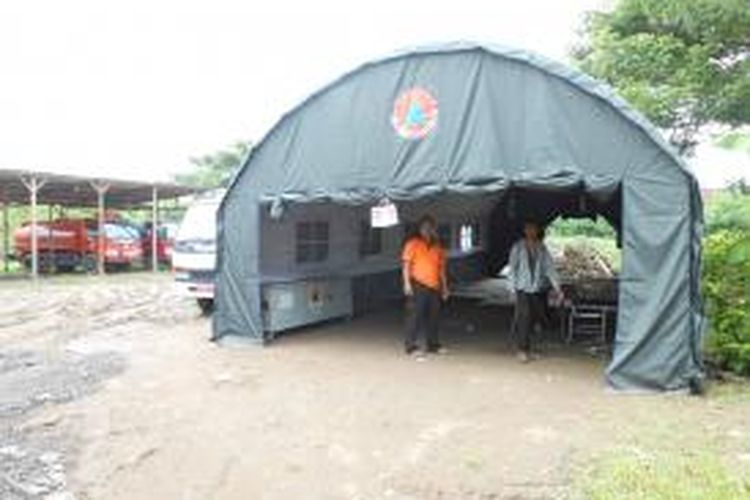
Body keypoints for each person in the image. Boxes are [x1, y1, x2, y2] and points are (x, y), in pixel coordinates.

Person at [508, 221, 563, 362]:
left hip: (537, 288)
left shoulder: (541, 248)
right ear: (525, 231)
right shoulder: (518, 247)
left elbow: (549, 267)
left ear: (538, 231)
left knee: (534, 317)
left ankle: (528, 347)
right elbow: (512, 268)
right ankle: (522, 350)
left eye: (534, 229)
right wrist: (512, 288)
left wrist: (557, 287)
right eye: (529, 229)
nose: (532, 231)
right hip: (522, 288)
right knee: (524, 317)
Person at [401, 215, 449, 356]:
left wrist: (445, 288)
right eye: (425, 227)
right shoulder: (412, 243)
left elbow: (441, 269)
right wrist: (406, 283)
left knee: (434, 316)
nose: (427, 230)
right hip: (418, 284)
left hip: (434, 286)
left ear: (434, 229)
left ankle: (433, 345)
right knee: (415, 316)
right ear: (420, 228)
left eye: (430, 227)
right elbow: (406, 265)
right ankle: (411, 347)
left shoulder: (438, 247)